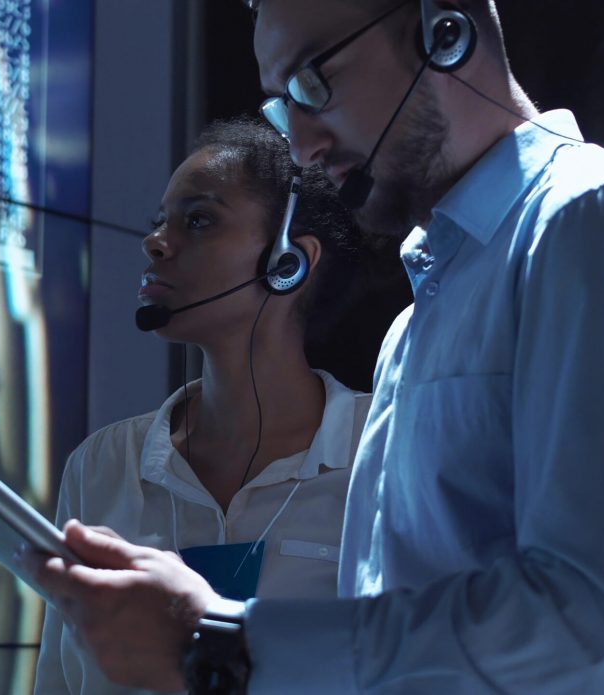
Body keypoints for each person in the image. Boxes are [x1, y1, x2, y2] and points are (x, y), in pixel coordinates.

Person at [27, 1, 604, 692]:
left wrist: (231, 637)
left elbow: (602, 622)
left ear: (445, 31)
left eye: (314, 83)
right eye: (285, 108)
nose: (303, 148)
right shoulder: (410, 334)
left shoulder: (594, 215)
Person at [33, 117, 376, 694]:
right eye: (159, 222)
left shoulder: (386, 450)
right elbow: (58, 684)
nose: (156, 242)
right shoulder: (102, 464)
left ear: (290, 260)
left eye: (199, 221)